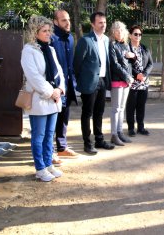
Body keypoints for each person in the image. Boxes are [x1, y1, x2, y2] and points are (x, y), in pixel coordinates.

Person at [20, 15, 65, 182]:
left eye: (49, 30)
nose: (48, 34)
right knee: (38, 136)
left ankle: (48, 164)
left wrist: (60, 89)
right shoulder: (28, 50)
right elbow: (33, 77)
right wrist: (50, 92)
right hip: (39, 100)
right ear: (35, 32)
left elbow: (59, 72)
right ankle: (40, 168)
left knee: (49, 135)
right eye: (44, 31)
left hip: (53, 99)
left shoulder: (51, 49)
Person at [73, 12, 115, 154]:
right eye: (100, 23)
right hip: (89, 82)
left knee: (99, 112)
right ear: (92, 24)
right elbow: (77, 64)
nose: (103, 25)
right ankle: (87, 143)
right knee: (87, 113)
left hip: (102, 81)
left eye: (104, 22)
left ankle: (99, 140)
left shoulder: (106, 40)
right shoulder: (85, 41)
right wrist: (82, 80)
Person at [50, 9, 79, 163]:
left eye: (68, 20)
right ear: (55, 22)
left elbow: (71, 63)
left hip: (67, 86)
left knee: (64, 118)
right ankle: (51, 152)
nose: (68, 23)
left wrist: (72, 82)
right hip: (55, 87)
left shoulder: (70, 38)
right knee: (53, 119)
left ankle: (62, 148)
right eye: (63, 20)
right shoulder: (52, 38)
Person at [109, 21, 135, 146]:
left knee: (122, 108)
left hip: (126, 81)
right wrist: (127, 77)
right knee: (116, 109)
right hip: (117, 80)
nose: (119, 32)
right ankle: (114, 134)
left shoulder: (125, 45)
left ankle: (120, 132)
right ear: (113, 32)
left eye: (121, 30)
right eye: (117, 30)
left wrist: (132, 56)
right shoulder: (112, 45)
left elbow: (129, 62)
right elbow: (115, 65)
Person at [125, 25, 153, 136]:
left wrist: (144, 74)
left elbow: (150, 63)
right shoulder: (126, 49)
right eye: (135, 34)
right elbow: (126, 65)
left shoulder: (145, 48)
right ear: (130, 35)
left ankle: (141, 127)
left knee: (141, 106)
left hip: (144, 82)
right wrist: (137, 75)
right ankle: (131, 128)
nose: (138, 36)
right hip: (132, 82)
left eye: (140, 34)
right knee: (131, 106)